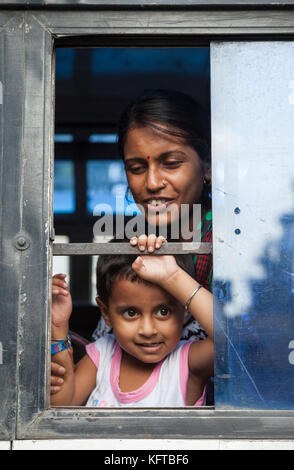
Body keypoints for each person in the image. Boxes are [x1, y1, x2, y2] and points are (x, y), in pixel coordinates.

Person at [93, 89, 212, 342]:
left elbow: (246, 347)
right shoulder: (134, 247)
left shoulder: (232, 244)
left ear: (208, 166)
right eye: (137, 168)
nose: (152, 182)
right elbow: (105, 350)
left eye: (171, 163)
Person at [50, 251, 213, 406]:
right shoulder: (103, 354)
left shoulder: (188, 363)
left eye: (163, 312)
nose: (148, 330)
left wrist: (173, 276)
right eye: (131, 313)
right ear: (106, 313)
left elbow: (233, 339)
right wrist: (58, 328)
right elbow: (62, 404)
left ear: (185, 310)